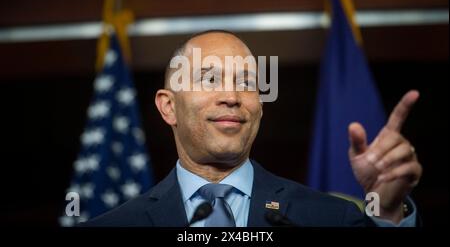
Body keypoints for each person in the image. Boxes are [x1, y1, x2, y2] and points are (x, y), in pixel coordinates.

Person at [84, 30, 422, 227]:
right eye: (210, 79)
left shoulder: (332, 218)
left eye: (246, 83)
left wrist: (387, 210)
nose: (231, 97)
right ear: (168, 106)